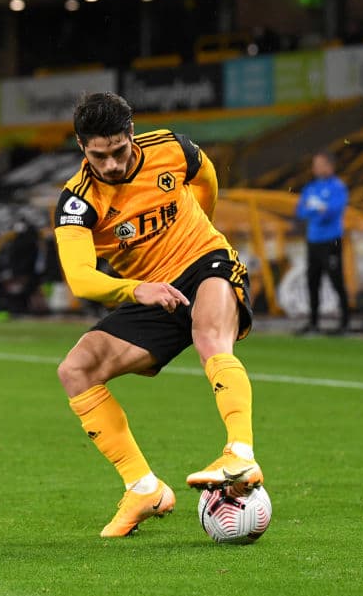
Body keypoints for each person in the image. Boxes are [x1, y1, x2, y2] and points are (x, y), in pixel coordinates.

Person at [53, 92, 262, 538]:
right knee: (77, 369)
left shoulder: (172, 148)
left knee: (209, 336)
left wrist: (203, 228)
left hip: (205, 260)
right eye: (98, 155)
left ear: (131, 135)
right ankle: (143, 487)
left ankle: (240, 453)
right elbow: (81, 279)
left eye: (118, 151)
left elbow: (205, 179)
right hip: (152, 291)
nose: (110, 164)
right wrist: (136, 290)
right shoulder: (78, 202)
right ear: (81, 147)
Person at [295, 150, 350, 335]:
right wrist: (319, 208)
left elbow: (334, 211)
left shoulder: (337, 187)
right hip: (313, 241)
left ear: (329, 166)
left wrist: (318, 209)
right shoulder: (310, 188)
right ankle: (313, 323)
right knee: (313, 281)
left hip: (331, 241)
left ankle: (345, 322)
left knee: (336, 280)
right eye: (314, 165)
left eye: (319, 164)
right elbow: (301, 212)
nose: (315, 168)